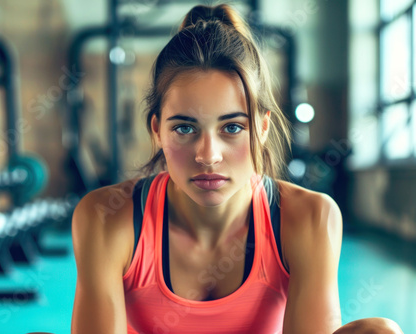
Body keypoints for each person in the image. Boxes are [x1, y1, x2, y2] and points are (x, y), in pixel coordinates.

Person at [71, 4, 403, 334]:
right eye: (185, 129)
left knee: (379, 332)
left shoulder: (310, 217)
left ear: (262, 127)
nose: (208, 155)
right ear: (157, 130)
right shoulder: (107, 217)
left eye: (232, 128)